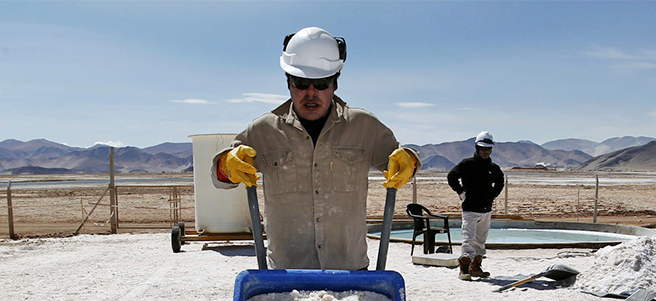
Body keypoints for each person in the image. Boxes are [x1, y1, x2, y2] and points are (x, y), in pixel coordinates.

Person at [211, 26, 420, 270]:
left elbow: (401, 161)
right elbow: (219, 178)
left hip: (350, 270)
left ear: (335, 83)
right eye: (301, 82)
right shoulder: (263, 130)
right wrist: (226, 165)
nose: (311, 93)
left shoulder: (365, 126)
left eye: (321, 83)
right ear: (288, 82)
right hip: (286, 273)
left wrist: (410, 161)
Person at [448, 131, 505, 280]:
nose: (486, 151)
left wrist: (492, 195)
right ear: (477, 148)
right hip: (470, 209)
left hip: (486, 209)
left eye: (488, 149)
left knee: (480, 240)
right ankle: (464, 269)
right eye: (483, 148)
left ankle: (476, 267)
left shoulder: (494, 168)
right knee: (469, 238)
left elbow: (500, 182)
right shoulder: (467, 164)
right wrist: (460, 192)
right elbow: (452, 176)